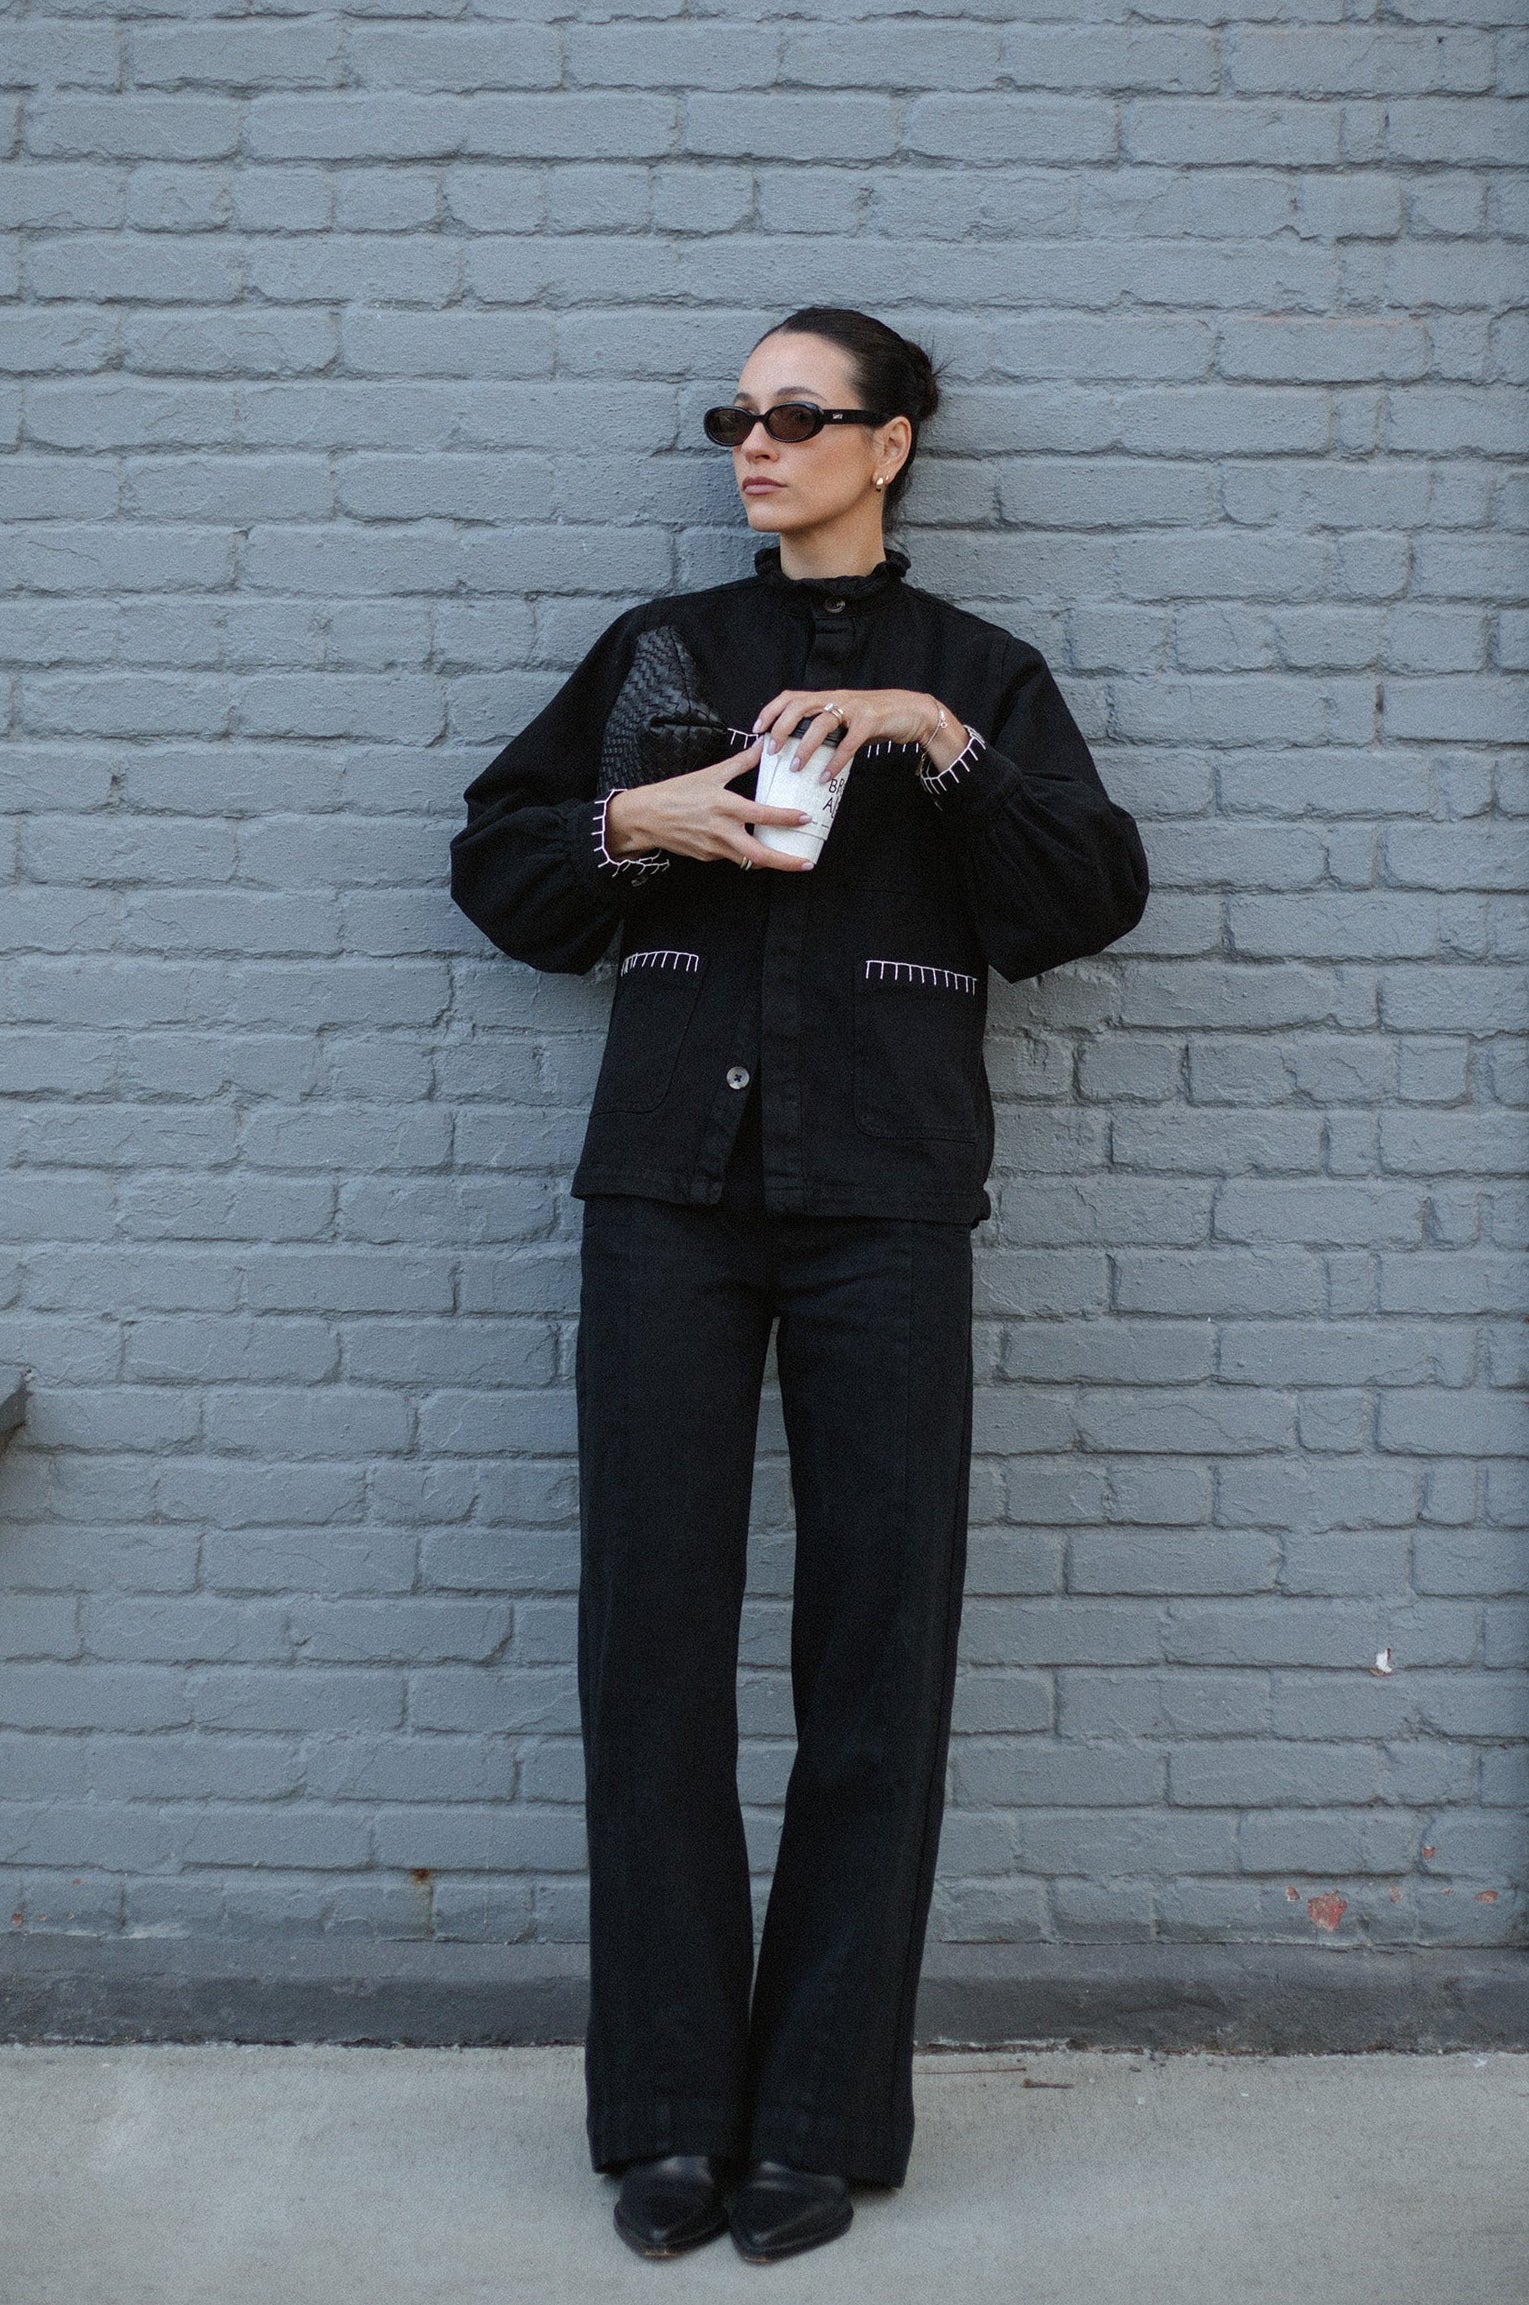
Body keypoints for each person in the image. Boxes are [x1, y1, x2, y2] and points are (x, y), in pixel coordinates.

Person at [449, 306, 1149, 2265]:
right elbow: (500, 870)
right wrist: (629, 821)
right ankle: (674, 2112)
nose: (755, 445)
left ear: (892, 443)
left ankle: (821, 2118)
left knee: (875, 1655)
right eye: (734, 417)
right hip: (667, 1190)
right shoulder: (665, 652)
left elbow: (1081, 900)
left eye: (798, 416)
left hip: (889, 1200)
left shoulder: (974, 672)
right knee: (651, 1654)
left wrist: (948, 754)